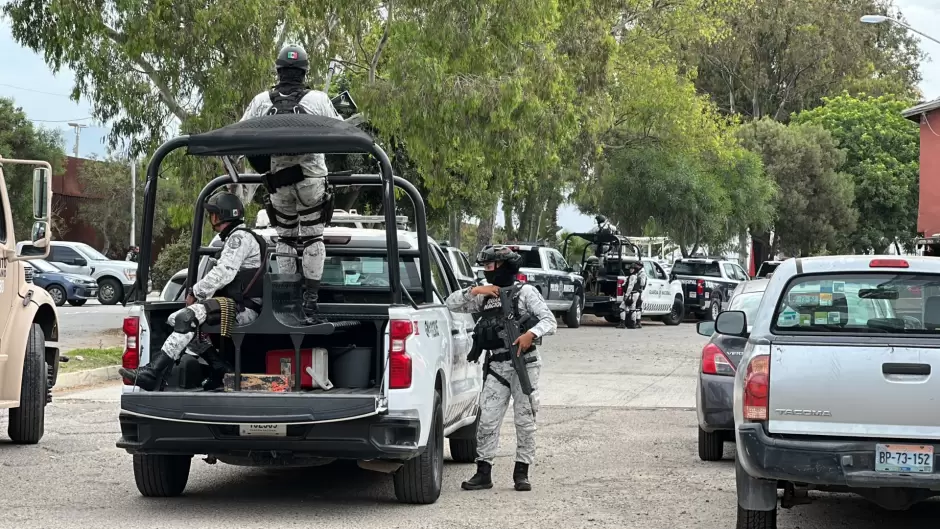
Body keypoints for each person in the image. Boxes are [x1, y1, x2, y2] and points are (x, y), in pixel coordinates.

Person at [118, 192, 266, 391]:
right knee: (176, 319)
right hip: (235, 306)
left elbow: (224, 272)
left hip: (243, 308)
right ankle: (219, 367)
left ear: (220, 215)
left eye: (213, 214)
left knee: (186, 318)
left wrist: (196, 292)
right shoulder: (238, 237)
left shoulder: (239, 238)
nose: (211, 218)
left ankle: (152, 374)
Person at [240, 43, 343, 324]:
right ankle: (310, 305)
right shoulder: (319, 99)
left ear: (279, 70)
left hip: (279, 182)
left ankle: (288, 302)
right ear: (304, 71)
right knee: (312, 237)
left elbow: (241, 132)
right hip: (311, 180)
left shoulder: (262, 101)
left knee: (285, 238)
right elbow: (340, 130)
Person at [446, 246, 557, 492]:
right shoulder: (484, 295)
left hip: (524, 364)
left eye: (490, 266)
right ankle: (483, 472)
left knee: (525, 420)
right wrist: (475, 290)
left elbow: (550, 321)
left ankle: (522, 473)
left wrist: (531, 333)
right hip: (497, 365)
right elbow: (450, 303)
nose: (486, 271)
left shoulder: (526, 292)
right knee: (487, 419)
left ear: (504, 266)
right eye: (485, 266)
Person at [618, 261, 647, 329]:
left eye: (633, 268)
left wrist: (626, 295)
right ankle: (633, 323)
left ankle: (624, 323)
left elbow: (631, 286)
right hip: (636, 293)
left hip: (633, 293)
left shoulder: (636, 275)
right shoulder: (636, 275)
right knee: (633, 308)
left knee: (623, 307)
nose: (631, 269)